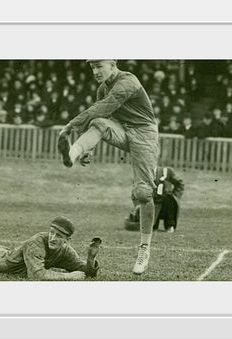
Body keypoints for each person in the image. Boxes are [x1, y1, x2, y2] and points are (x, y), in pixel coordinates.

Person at [57, 59, 158, 275]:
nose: (95, 71)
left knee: (143, 192)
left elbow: (105, 106)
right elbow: (102, 118)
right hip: (122, 129)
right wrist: (87, 151)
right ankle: (72, 153)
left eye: (99, 65)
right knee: (99, 123)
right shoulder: (102, 88)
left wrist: (69, 126)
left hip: (144, 133)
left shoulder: (128, 81)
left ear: (113, 64)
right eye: (92, 67)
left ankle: (144, 247)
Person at [124, 166, 185, 233]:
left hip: (165, 204)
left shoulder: (167, 171)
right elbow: (136, 191)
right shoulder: (142, 173)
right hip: (151, 203)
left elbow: (180, 184)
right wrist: (137, 205)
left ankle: (170, 225)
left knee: (169, 199)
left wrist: (175, 196)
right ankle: (152, 225)